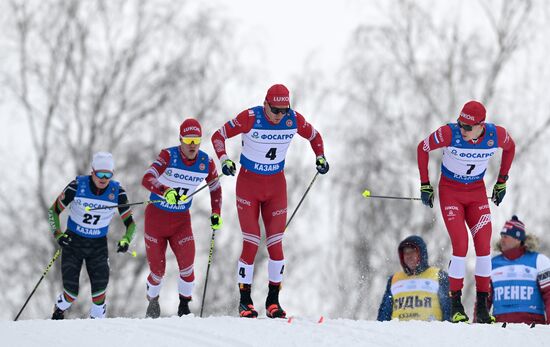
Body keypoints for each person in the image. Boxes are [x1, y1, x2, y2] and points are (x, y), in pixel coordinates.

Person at [211, 84, 329, 318]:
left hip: (276, 187)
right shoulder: (250, 117)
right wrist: (224, 159)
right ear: (265, 104)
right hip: (249, 185)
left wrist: (321, 157)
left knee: (276, 244)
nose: (280, 116)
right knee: (252, 241)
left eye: (285, 110)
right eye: (275, 110)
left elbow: (314, 136)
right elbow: (218, 135)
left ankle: (273, 301)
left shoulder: (292, 119)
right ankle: (245, 301)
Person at [417, 100, 515, 323]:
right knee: (460, 245)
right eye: (461, 124)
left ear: (481, 125)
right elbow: (422, 148)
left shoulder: (495, 135)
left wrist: (502, 181)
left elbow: (511, 148)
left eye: (468, 127)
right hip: (451, 192)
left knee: (483, 247)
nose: (462, 130)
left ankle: (482, 307)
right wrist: (425, 184)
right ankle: (455, 305)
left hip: (477, 193)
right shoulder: (449, 133)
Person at [141, 118, 222, 318]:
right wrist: (165, 190)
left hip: (181, 222)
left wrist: (216, 213)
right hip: (156, 220)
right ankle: (153, 299)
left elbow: (215, 187)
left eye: (196, 140)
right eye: (188, 140)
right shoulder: (168, 156)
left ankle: (184, 306)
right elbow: (147, 178)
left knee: (187, 265)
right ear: (180, 140)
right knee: (157, 272)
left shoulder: (206, 162)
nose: (192, 145)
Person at [48, 152, 137, 319]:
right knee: (71, 293)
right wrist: (58, 234)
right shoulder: (76, 186)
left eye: (108, 174)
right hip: (73, 242)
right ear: (92, 172)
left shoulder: (117, 192)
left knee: (99, 291)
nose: (104, 178)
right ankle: (60, 306)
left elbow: (131, 224)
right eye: (100, 174)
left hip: (98, 246)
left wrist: (126, 239)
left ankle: (97, 327)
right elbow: (53, 211)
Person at [489, 215, 550, 325]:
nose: (502, 239)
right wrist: (477, 327)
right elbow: (483, 299)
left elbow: (549, 295)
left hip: (532, 330)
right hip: (499, 331)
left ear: (517, 239)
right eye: (501, 236)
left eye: (506, 236)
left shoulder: (540, 261)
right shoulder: (492, 263)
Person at [377, 235, 451, 322]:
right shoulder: (394, 279)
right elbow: (384, 313)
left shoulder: (439, 275)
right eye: (406, 253)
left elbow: (449, 308)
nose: (409, 256)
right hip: (398, 333)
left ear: (421, 253)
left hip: (430, 333)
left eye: (412, 251)